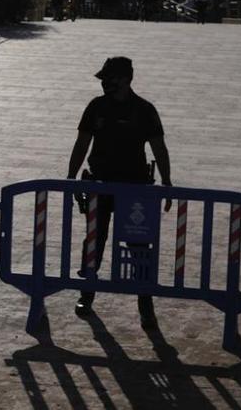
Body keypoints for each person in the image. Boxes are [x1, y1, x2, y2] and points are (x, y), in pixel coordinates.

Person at [66, 56, 173, 329]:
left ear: (126, 79)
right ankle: (86, 294)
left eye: (109, 79)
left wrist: (167, 182)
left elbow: (159, 148)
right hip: (100, 184)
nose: (104, 84)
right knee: (94, 241)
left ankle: (145, 305)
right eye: (103, 79)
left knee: (139, 248)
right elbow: (82, 144)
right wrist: (70, 178)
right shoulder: (96, 107)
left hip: (134, 188)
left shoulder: (145, 110)